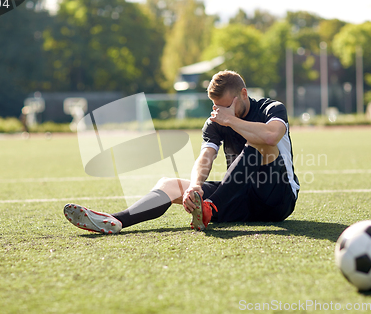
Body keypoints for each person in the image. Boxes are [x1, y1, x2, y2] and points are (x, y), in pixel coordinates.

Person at [63, 70, 299, 234]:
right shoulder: (216, 120)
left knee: (261, 142)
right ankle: (116, 220)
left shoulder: (271, 108)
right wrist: (195, 186)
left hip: (277, 199)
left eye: (226, 106)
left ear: (244, 94)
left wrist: (231, 120)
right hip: (239, 198)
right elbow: (205, 157)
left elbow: (271, 136)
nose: (220, 112)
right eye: (216, 107)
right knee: (169, 183)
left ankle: (209, 207)